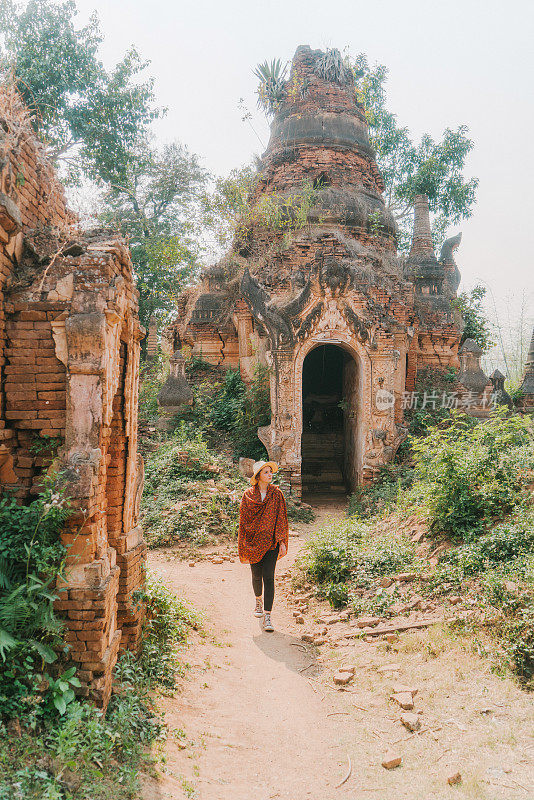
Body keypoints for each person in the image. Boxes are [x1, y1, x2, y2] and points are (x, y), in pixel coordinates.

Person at [238, 460, 288, 632]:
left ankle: (268, 615)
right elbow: (244, 521)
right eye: (266, 472)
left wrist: (281, 541)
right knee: (256, 576)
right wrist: (244, 542)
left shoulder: (277, 494)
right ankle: (258, 601)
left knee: (269, 577)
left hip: (271, 543)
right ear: (258, 476)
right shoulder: (248, 495)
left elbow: (281, 518)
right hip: (252, 542)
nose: (270, 474)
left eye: (270, 472)